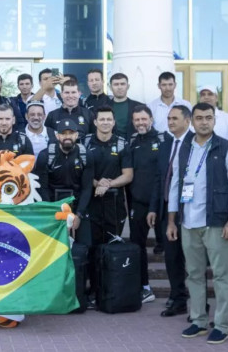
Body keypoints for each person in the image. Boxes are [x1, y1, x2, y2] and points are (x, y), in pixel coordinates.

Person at [166, 102, 228, 345]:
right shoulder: (185, 147)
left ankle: (221, 324)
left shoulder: (227, 148)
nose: (204, 122)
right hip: (188, 222)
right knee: (194, 275)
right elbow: (176, 184)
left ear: (214, 119)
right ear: (191, 121)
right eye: (199, 118)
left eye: (208, 117)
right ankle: (198, 321)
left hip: (217, 222)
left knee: (222, 275)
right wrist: (172, 220)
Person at [85, 106, 133, 308]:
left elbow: (128, 175)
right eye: (101, 119)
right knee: (92, 248)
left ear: (114, 122)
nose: (105, 122)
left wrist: (108, 185)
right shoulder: (86, 142)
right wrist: (98, 184)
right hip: (91, 203)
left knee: (111, 248)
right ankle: (93, 291)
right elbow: (84, 174)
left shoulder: (122, 143)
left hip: (114, 204)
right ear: (95, 122)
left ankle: (110, 291)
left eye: (109, 119)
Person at [147, 105, 191, 317]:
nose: (171, 122)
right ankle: (177, 298)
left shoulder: (195, 143)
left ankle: (199, 302)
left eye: (175, 118)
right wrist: (154, 208)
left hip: (191, 210)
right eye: (169, 118)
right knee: (172, 257)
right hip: (167, 210)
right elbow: (158, 179)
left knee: (193, 258)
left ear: (187, 120)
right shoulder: (166, 145)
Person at [126, 104, 164, 304]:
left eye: (144, 119)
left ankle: (178, 291)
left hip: (162, 204)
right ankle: (145, 287)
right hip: (138, 203)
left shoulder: (163, 140)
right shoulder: (131, 142)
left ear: (151, 119)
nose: (141, 123)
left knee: (170, 247)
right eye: (137, 120)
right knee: (137, 246)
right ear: (133, 122)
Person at [108, 73, 143, 139]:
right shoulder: (103, 108)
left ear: (128, 86)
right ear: (110, 87)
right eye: (116, 84)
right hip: (111, 145)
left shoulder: (140, 107)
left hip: (134, 145)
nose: (119, 87)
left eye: (122, 84)